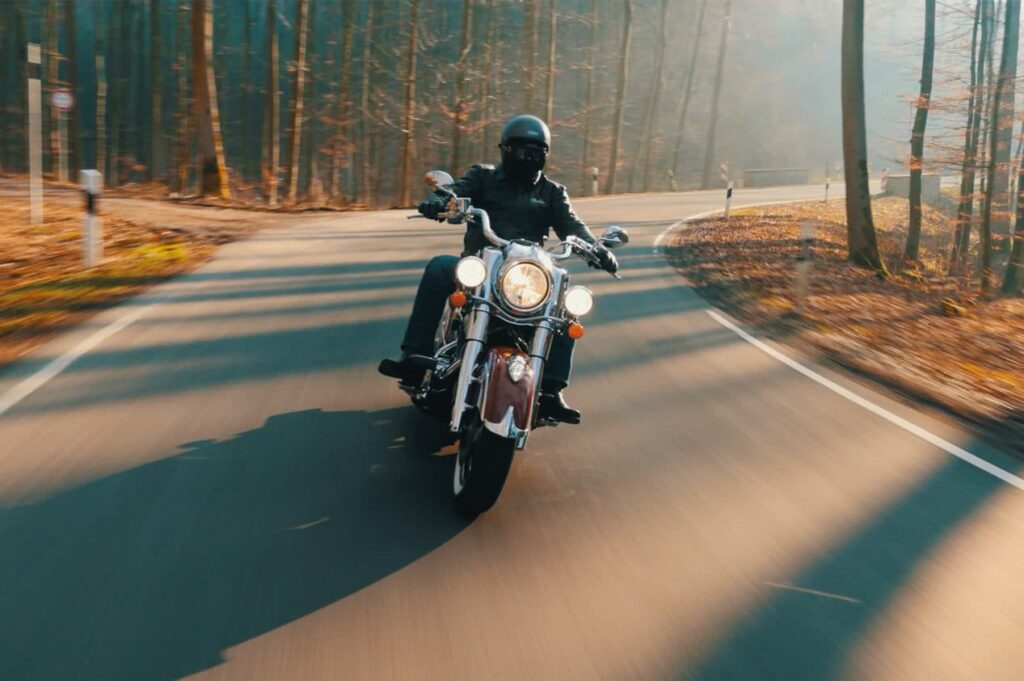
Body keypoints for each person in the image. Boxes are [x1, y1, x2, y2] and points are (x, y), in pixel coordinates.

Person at [379, 114, 618, 424]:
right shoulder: (483, 177)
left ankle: (551, 388)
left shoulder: (552, 192)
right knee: (439, 267)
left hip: (526, 277)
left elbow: (573, 225)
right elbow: (458, 192)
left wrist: (596, 248)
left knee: (565, 295)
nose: (528, 156)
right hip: (480, 266)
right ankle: (413, 358)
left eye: (536, 151)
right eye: (521, 149)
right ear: (505, 149)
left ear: (545, 155)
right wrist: (439, 200)